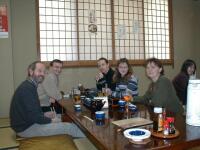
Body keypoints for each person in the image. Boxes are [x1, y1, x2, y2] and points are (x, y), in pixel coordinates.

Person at [10, 61, 85, 138]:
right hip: (25, 128)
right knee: (70, 127)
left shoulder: (30, 85)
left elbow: (31, 112)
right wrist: (51, 121)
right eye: (39, 71)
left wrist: (44, 115)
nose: (42, 74)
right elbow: (34, 116)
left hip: (28, 122)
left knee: (61, 117)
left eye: (44, 72)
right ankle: (95, 139)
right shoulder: (27, 89)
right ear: (31, 71)